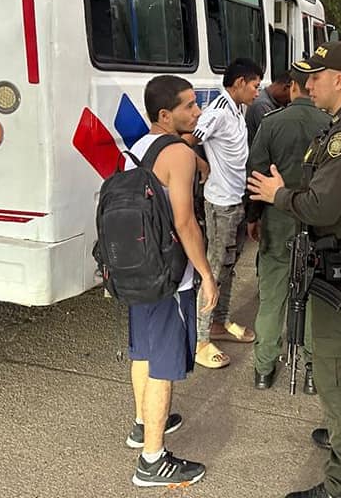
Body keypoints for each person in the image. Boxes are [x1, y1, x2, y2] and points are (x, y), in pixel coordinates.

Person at [248, 41, 341, 498]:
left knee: (337, 377)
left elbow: (320, 205)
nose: (307, 85)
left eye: (315, 76)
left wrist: (278, 194)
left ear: (340, 79)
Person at [124, 76, 220, 488]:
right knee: (163, 363)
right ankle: (152, 460)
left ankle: (142, 423)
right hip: (168, 275)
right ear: (166, 115)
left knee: (143, 350)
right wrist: (206, 273)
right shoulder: (177, 154)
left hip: (136, 268)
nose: (197, 113)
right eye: (189, 107)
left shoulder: (136, 147)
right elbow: (183, 221)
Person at [246, 62, 331, 391]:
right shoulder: (331, 123)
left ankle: (264, 369)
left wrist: (254, 217)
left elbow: (255, 175)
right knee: (311, 296)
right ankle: (311, 370)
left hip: (277, 220)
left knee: (272, 298)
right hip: (316, 221)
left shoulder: (271, 123)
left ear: (292, 86)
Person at [192, 58, 262, 369]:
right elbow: (189, 139)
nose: (257, 91)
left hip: (237, 201)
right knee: (214, 270)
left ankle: (219, 324)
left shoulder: (238, 109)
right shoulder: (218, 112)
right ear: (238, 84)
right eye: (254, 85)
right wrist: (201, 164)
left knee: (230, 267)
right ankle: (200, 338)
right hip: (220, 204)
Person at [246, 72, 292, 146]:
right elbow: (273, 138)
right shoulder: (262, 105)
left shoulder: (274, 101)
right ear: (285, 88)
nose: (288, 102)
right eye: (289, 99)